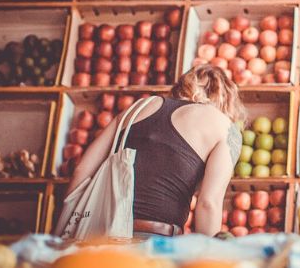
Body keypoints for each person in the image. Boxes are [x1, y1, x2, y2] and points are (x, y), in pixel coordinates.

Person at [65, 64, 245, 237]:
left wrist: (68, 229)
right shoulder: (225, 127)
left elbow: (81, 171)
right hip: (154, 242)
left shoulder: (137, 108)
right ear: (226, 100)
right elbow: (208, 203)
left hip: (99, 234)